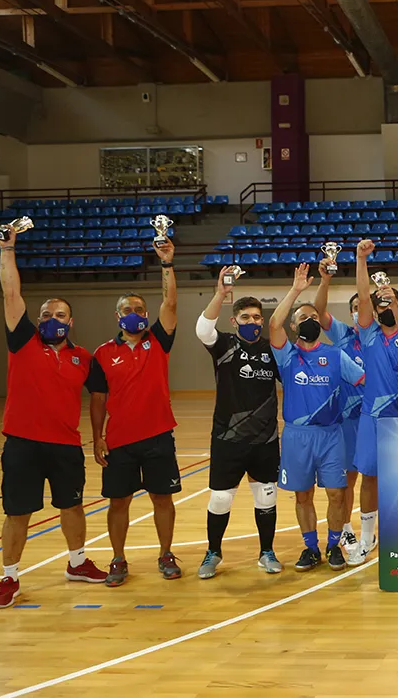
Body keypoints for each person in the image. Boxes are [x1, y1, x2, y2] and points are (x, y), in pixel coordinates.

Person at [0, 227, 107, 609]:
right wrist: (8, 250)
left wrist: (100, 435)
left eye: (60, 315)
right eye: (46, 314)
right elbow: (11, 293)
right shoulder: (22, 342)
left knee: (72, 506)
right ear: (36, 319)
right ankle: (9, 576)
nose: (52, 319)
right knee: (18, 511)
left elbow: (101, 396)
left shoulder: (83, 358)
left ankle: (77, 563)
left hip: (65, 445)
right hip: (23, 443)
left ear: (70, 322)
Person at [88, 239, 180, 587]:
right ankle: (118, 559)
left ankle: (166, 554)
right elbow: (97, 400)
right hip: (120, 441)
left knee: (162, 498)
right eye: (129, 308)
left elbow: (170, 302)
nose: (136, 313)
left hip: (158, 435)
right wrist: (97, 437)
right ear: (118, 315)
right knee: (118, 502)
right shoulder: (101, 353)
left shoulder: (158, 340)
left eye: (140, 308)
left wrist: (167, 264)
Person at [270, 264, 365, 573]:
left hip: (331, 435)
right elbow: (273, 324)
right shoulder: (287, 356)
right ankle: (310, 548)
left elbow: (366, 380)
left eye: (314, 317)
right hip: (297, 436)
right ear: (294, 326)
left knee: (337, 494)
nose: (310, 321)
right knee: (303, 495)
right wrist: (296, 290)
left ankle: (333, 544)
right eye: (303, 318)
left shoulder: (336, 355)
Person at [194, 269, 282, 579]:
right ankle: (213, 552)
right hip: (227, 439)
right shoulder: (224, 345)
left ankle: (266, 552)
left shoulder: (272, 349)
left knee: (267, 496)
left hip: (265, 440)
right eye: (246, 317)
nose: (253, 322)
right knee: (219, 498)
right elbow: (203, 329)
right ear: (235, 321)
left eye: (257, 317)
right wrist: (220, 293)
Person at [352, 240, 398, 565]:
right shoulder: (367, 335)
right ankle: (368, 536)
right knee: (370, 477)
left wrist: (394, 300)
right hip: (372, 418)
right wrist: (360, 260)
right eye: (380, 305)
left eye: (389, 304)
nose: (382, 308)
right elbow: (364, 297)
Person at [313, 270, 366, 560]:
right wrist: (325, 279)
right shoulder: (342, 333)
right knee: (348, 481)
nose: (360, 313)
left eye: (364, 307)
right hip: (345, 421)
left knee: (373, 478)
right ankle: (345, 528)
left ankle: (376, 529)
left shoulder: (380, 338)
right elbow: (319, 312)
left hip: (373, 419)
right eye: (355, 309)